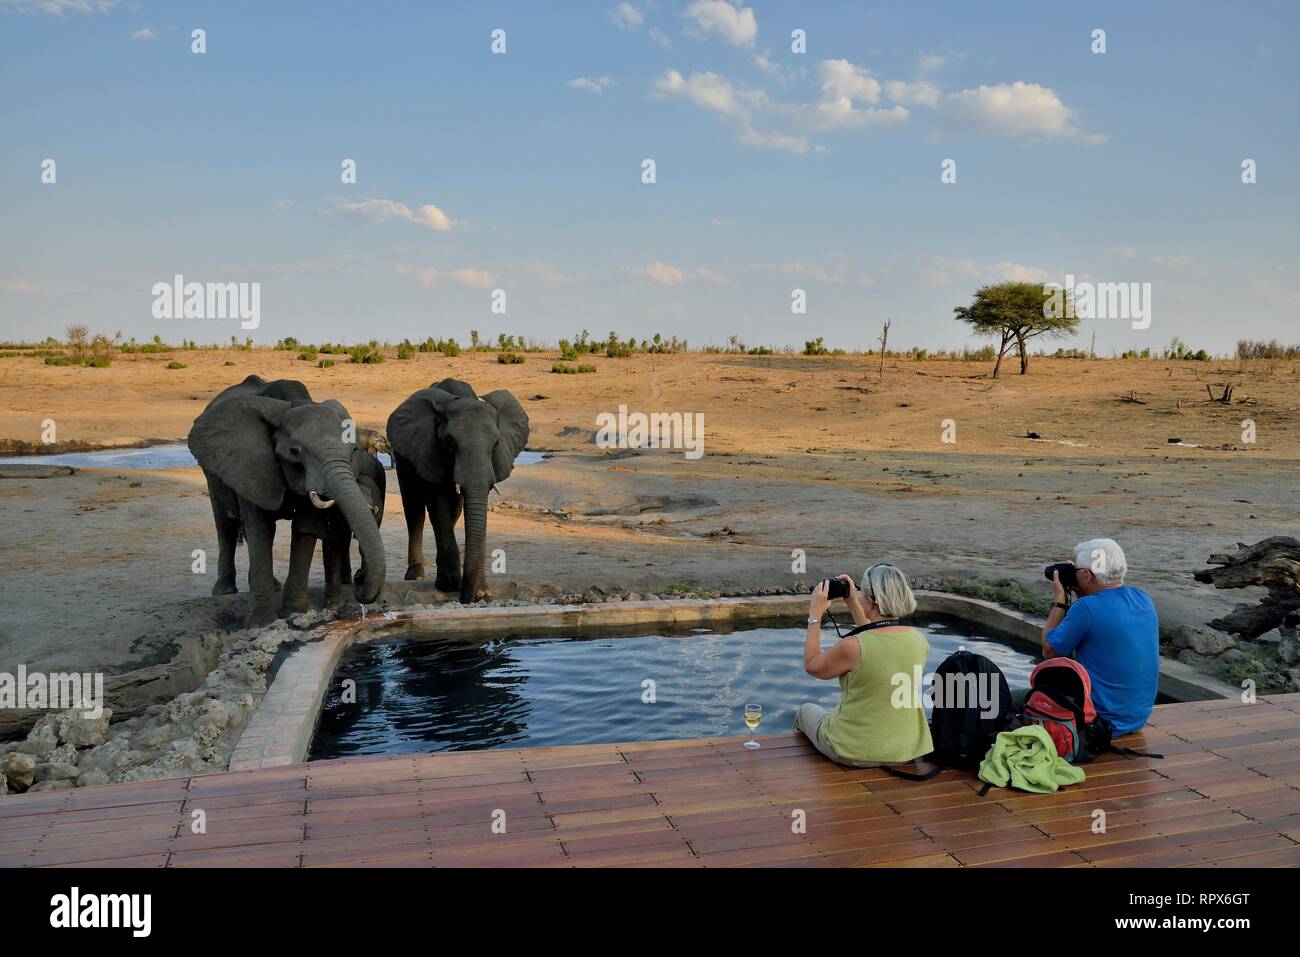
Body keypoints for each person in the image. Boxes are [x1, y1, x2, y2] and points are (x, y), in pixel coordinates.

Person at [794, 563, 933, 767]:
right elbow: (878, 637)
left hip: (853, 751)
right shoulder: (919, 640)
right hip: (905, 749)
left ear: (869, 601)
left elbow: (813, 666)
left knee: (804, 711)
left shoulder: (852, 646)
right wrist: (852, 602)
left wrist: (814, 614)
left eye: (861, 596)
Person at [1036, 538, 1159, 734]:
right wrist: (1082, 590)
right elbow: (1100, 611)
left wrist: (1059, 601)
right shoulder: (1142, 598)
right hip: (1136, 719)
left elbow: (1049, 652)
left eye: (1077, 569)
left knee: (1019, 699)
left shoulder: (1087, 608)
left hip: (1099, 723)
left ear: (1086, 575)